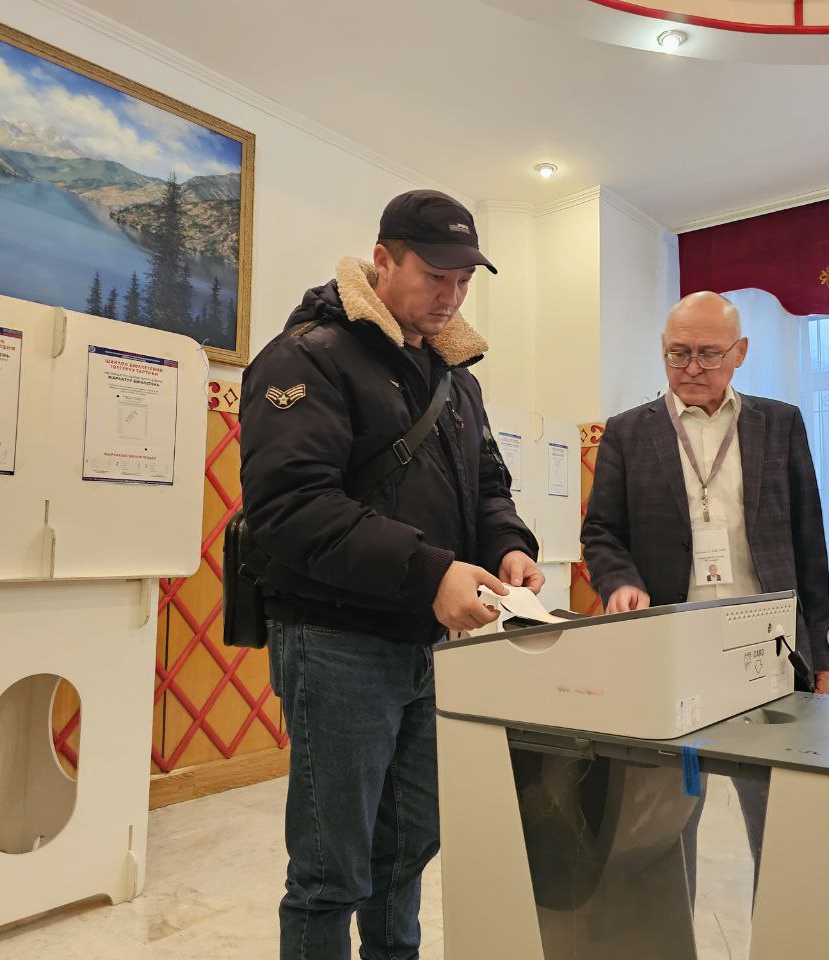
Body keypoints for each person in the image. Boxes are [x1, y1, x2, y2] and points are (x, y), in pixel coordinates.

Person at [239, 189, 543, 960]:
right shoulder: (306, 356)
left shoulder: (456, 377)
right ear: (382, 260)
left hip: (429, 647)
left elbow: (489, 487)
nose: (452, 296)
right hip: (335, 643)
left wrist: (509, 544)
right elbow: (293, 508)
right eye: (436, 275)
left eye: (464, 280)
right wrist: (432, 572)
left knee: (406, 851)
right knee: (330, 872)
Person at [581, 290, 829, 900]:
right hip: (673, 651)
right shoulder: (627, 432)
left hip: (768, 649)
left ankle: (779, 929)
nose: (691, 367)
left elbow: (808, 540)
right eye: (678, 353)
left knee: (776, 813)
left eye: (708, 354)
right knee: (666, 818)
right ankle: (674, 930)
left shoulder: (779, 424)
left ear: (740, 353)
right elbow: (602, 532)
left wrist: (819, 653)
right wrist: (621, 581)